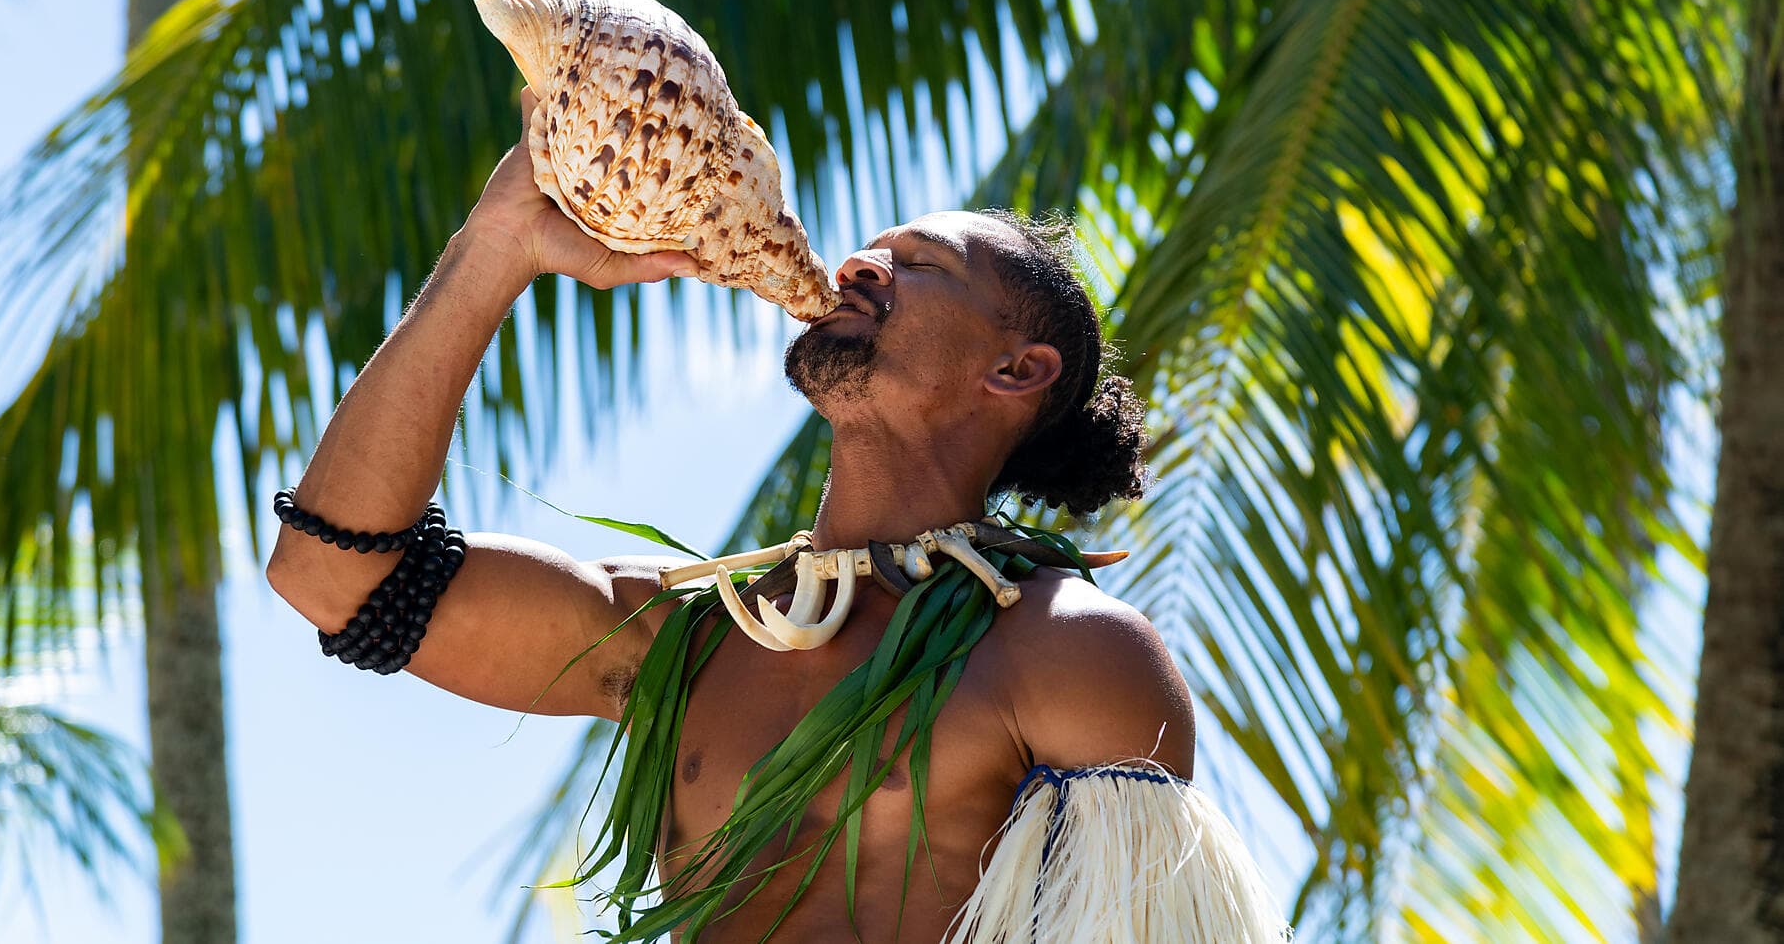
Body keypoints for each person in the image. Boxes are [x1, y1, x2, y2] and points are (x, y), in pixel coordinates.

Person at [267, 86, 1287, 942]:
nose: (858, 266)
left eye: (920, 263)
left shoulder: (1068, 651)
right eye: (871, 250)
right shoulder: (683, 640)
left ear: (1017, 370)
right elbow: (331, 575)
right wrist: (496, 244)